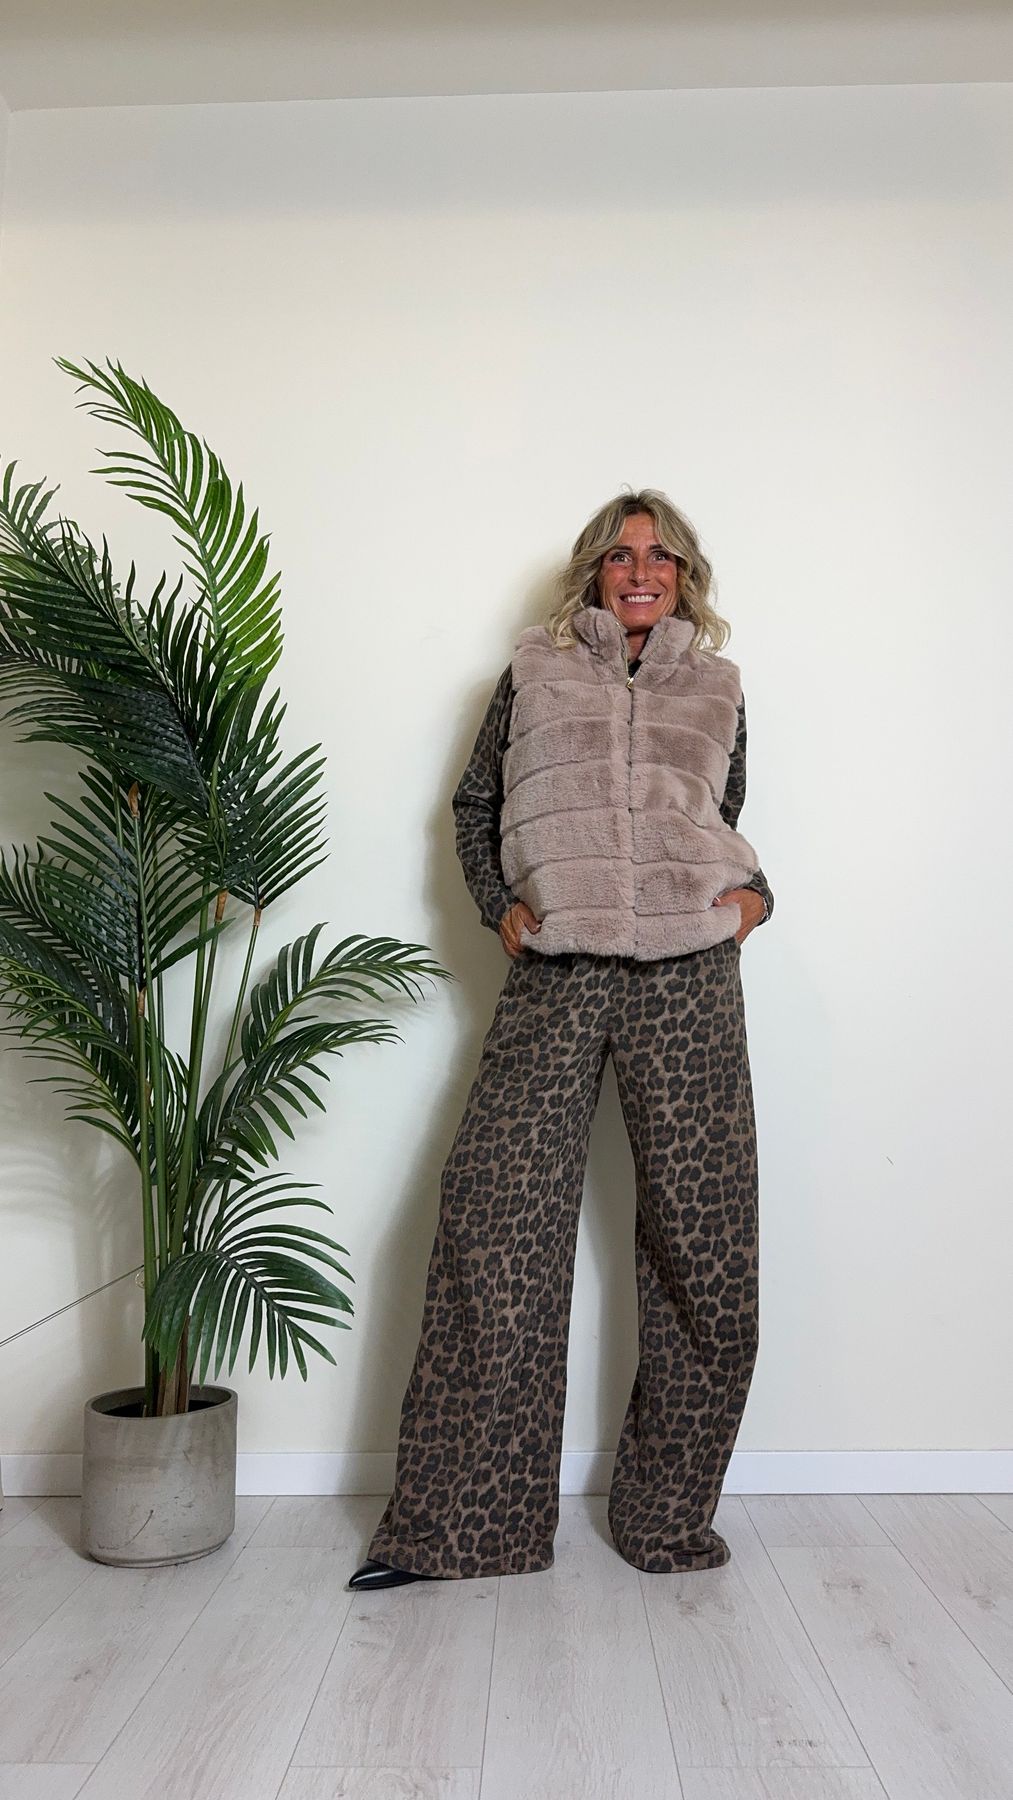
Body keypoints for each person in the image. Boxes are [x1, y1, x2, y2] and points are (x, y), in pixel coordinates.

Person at [348, 488, 773, 1591]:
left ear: (684, 578)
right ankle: (465, 1529)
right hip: (560, 970)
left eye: (661, 558)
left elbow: (721, 816)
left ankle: (665, 1523)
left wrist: (750, 902)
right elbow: (473, 804)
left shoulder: (719, 685)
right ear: (592, 572)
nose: (641, 572)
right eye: (621, 556)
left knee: (703, 1252)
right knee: (495, 1227)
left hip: (687, 979)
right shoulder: (533, 671)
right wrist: (500, 905)